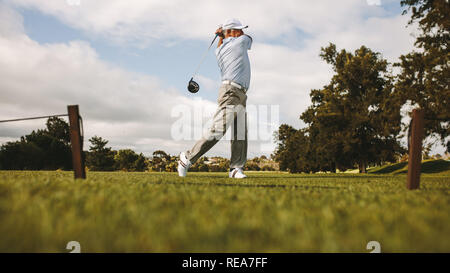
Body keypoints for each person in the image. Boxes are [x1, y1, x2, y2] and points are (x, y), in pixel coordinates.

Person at [178, 18, 252, 179]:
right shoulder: (241, 42)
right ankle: (187, 158)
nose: (242, 32)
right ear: (232, 32)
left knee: (240, 133)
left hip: (240, 93)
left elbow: (220, 46)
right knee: (220, 128)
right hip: (231, 91)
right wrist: (223, 34)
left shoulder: (220, 50)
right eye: (238, 29)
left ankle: (235, 169)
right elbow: (247, 38)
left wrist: (221, 36)